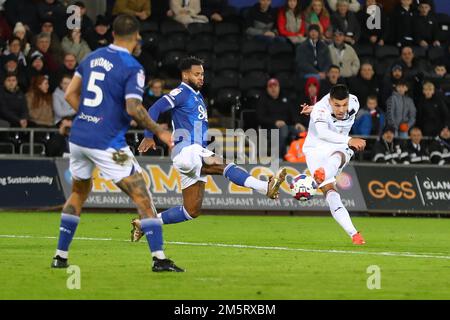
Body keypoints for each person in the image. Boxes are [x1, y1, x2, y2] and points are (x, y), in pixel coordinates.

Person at [50, 14, 182, 273]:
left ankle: (60, 256)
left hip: (78, 138)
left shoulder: (91, 57)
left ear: (113, 35)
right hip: (107, 144)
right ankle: (159, 259)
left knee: (78, 193)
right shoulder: (132, 66)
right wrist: (161, 132)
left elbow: (69, 94)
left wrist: (89, 118)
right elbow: (133, 107)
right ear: (136, 37)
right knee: (142, 195)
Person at [134, 57, 287, 241]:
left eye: (202, 74)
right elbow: (155, 108)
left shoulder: (197, 96)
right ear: (185, 75)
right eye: (197, 74)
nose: (201, 78)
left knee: (191, 210)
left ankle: (146, 223)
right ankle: (265, 187)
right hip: (187, 150)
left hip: (193, 153)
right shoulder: (181, 92)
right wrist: (149, 136)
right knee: (224, 165)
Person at [299, 84, 366, 244]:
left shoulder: (355, 103)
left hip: (337, 145)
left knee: (342, 155)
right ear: (330, 102)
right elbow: (323, 133)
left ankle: (354, 234)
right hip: (316, 149)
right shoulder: (321, 109)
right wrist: (350, 139)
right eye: (336, 105)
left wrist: (312, 109)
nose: (341, 109)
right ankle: (317, 179)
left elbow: (343, 108)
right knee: (329, 189)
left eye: (344, 104)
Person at [257, 77, 305, 158]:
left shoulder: (285, 98)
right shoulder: (263, 100)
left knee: (302, 131)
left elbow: (293, 113)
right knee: (283, 130)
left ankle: (301, 157)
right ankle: (277, 157)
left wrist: (297, 123)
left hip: (287, 126)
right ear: (267, 89)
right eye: (270, 87)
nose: (273, 88)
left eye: (275, 86)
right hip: (269, 128)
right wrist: (275, 122)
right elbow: (260, 118)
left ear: (279, 87)